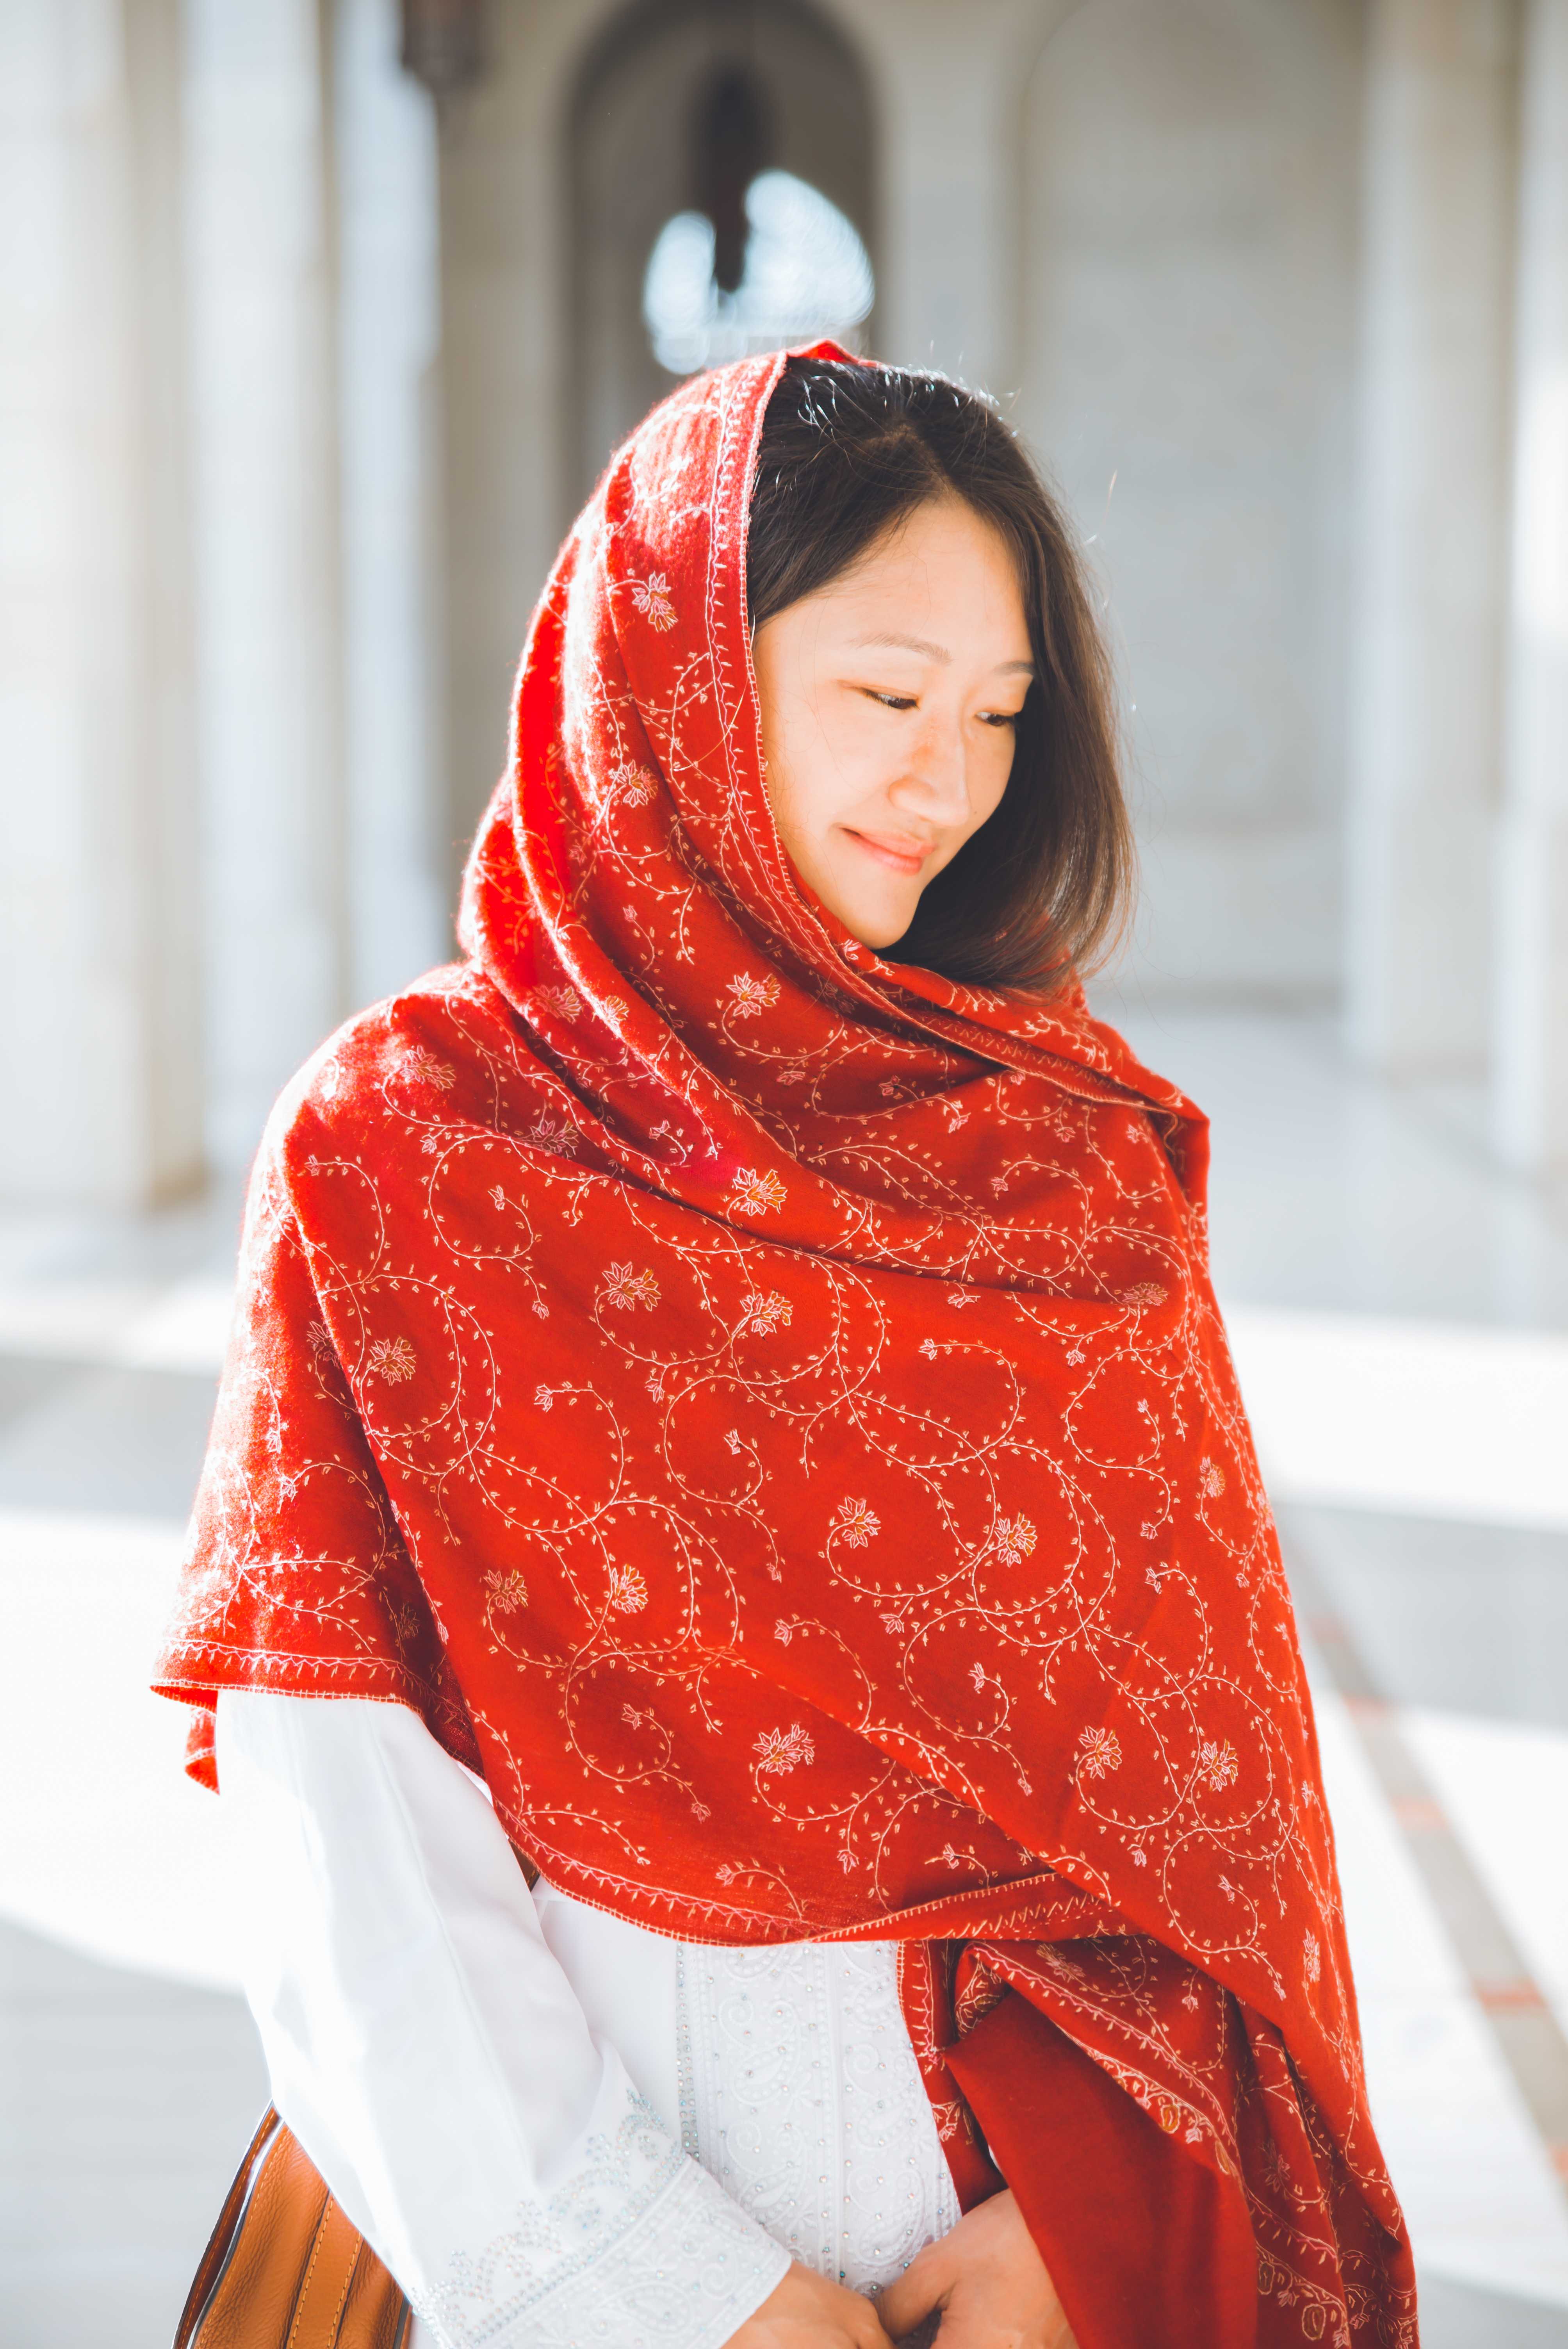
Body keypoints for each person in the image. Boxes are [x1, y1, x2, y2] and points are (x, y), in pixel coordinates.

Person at [155, 346, 1418, 2349]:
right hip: (541, 2263)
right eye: (884, 698)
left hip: (996, 2276)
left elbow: (1207, 1814)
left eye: (999, 715)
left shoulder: (1059, 1161)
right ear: (670, 678)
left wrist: (1086, 2210)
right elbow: (341, 1824)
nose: (949, 779)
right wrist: (675, 2294)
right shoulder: (400, 1151)